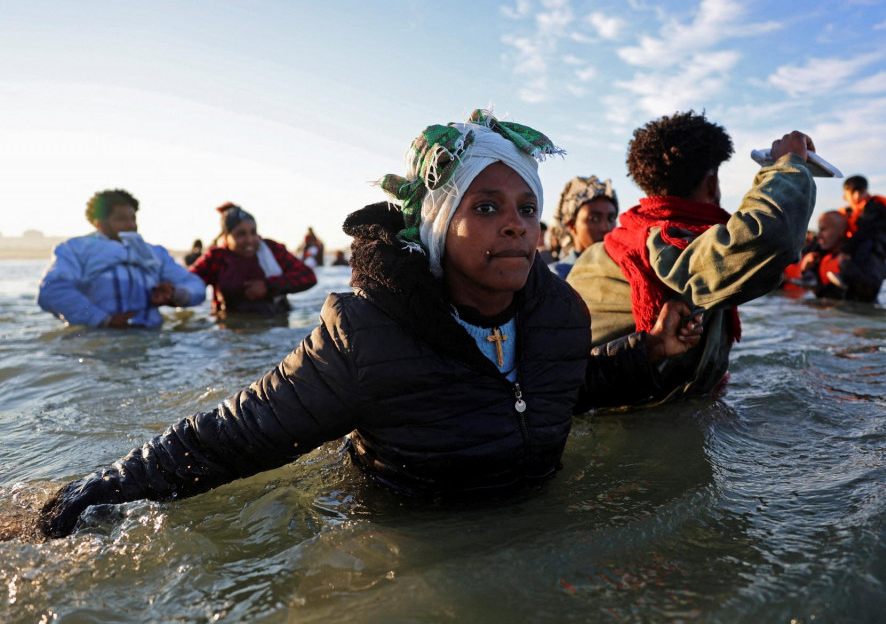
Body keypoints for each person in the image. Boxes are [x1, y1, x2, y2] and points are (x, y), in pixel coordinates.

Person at [37, 108, 703, 539]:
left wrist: (647, 355)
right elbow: (236, 436)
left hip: (535, 530)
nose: (515, 223)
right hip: (407, 536)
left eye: (527, 207)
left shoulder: (560, 313)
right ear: (441, 227)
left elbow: (565, 389)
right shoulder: (368, 334)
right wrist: (86, 497)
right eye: (488, 205)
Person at [567, 111, 817, 400]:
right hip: (640, 422)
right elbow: (767, 237)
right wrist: (787, 166)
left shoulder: (608, 247)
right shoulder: (666, 247)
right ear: (712, 183)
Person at [37, 189, 207, 329]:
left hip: (151, 337)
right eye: (121, 219)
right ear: (99, 223)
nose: (131, 225)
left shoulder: (154, 253)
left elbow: (196, 286)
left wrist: (174, 293)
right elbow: (52, 290)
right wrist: (104, 319)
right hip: (99, 339)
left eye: (133, 218)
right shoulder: (75, 249)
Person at [187, 204, 317, 315]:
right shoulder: (216, 257)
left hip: (274, 320)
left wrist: (269, 286)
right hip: (230, 327)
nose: (249, 240)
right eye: (241, 234)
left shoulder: (271, 249)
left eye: (253, 232)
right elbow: (188, 282)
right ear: (226, 237)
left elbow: (308, 276)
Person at [831, 174, 886, 301]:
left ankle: (845, 277)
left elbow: (864, 231)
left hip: (872, 257)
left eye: (858, 192)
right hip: (865, 258)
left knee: (865, 298)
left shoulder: (875, 208)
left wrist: (846, 251)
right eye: (849, 194)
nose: (854, 197)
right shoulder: (851, 211)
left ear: (862, 192)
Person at [549, 176, 618, 279]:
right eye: (594, 218)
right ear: (572, 225)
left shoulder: (623, 270)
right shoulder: (557, 276)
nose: (606, 227)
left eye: (611, 218)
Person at [799, 211, 849, 299]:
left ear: (841, 231)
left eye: (823, 229)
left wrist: (849, 268)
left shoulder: (855, 258)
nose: (818, 235)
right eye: (819, 230)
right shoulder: (817, 258)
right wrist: (805, 271)